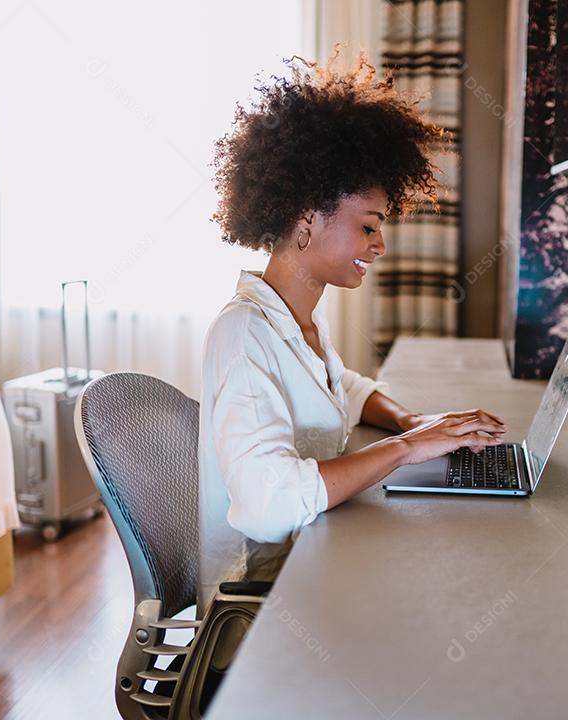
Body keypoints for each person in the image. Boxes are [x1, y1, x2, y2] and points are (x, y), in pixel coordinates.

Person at [199, 53, 507, 597]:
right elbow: (270, 506)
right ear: (306, 220)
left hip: (317, 553)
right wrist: (408, 447)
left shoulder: (298, 319)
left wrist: (413, 420)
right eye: (367, 226)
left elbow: (344, 389)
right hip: (272, 593)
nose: (379, 245)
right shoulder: (244, 335)